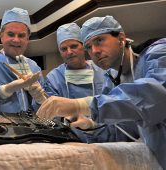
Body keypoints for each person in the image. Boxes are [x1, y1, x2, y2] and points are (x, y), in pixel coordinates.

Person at [37, 15, 166, 168]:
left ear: (121, 38)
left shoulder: (159, 53)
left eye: (99, 40)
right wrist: (91, 126)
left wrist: (82, 104)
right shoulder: (112, 79)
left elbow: (155, 96)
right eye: (89, 47)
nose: (95, 51)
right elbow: (122, 131)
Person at [44, 23, 139, 143]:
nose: (69, 52)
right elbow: (49, 114)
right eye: (63, 49)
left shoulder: (105, 69)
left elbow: (125, 106)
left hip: (112, 137)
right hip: (73, 140)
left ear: (83, 47)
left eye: (73, 46)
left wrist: (81, 107)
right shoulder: (54, 78)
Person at [0, 7, 46, 113]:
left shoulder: (34, 67)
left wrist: (41, 100)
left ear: (27, 38)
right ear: (1, 36)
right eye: (10, 34)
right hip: (3, 128)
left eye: (21, 35)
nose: (16, 40)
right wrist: (4, 91)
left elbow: (44, 114)